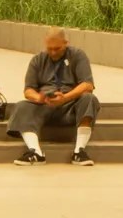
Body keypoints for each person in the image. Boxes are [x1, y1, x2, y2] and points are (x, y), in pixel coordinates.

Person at [9, 28, 99, 166]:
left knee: (89, 99)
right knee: (21, 106)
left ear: (66, 43)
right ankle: (35, 152)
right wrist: (39, 98)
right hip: (45, 105)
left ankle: (79, 151)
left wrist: (66, 97)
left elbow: (88, 85)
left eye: (57, 48)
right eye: (49, 49)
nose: (53, 52)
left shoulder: (78, 55)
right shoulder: (38, 60)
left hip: (70, 105)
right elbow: (28, 90)